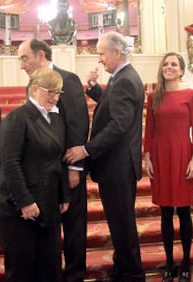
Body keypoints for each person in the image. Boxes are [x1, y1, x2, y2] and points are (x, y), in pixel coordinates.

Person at [64, 31, 145, 281]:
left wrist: (86, 150)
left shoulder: (125, 80)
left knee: (122, 226)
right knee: (120, 224)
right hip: (117, 167)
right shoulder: (121, 78)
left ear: (116, 53)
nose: (99, 59)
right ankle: (123, 267)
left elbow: (119, 125)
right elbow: (114, 107)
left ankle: (131, 274)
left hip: (118, 168)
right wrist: (94, 90)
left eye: (101, 53)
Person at [18, 38, 89, 282]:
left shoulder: (67, 79)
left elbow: (78, 124)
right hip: (45, 172)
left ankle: (75, 274)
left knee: (74, 226)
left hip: (68, 168)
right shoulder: (34, 84)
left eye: (24, 58)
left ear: (40, 55)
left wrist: (74, 168)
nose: (21, 64)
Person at [0, 67, 70, 282]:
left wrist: (63, 195)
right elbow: (10, 162)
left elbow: (58, 158)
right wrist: (25, 201)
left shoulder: (56, 119)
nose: (55, 97)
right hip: (15, 207)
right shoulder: (18, 118)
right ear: (34, 89)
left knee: (51, 266)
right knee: (23, 269)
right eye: (50, 91)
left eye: (58, 92)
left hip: (47, 203)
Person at [143, 52, 193, 282]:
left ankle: (186, 262)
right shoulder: (153, 96)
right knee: (166, 212)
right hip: (160, 155)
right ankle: (169, 263)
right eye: (166, 64)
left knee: (184, 211)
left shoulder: (191, 94)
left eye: (174, 64)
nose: (169, 67)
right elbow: (149, 129)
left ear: (181, 70)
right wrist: (147, 157)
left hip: (182, 153)